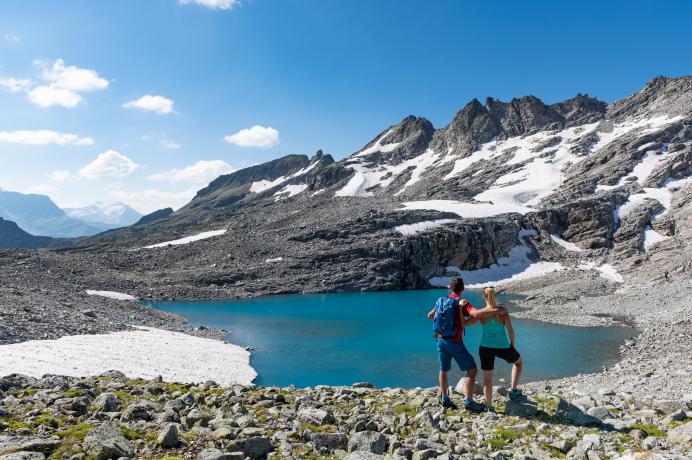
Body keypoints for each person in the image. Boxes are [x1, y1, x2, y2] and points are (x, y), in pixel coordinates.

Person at [427, 277, 506, 411]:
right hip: (455, 341)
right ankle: (469, 402)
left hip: (440, 340)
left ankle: (445, 399)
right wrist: (497, 311)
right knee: (472, 369)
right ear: (462, 289)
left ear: (450, 287)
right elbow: (476, 314)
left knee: (443, 370)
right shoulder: (462, 302)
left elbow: (430, 316)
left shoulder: (441, 300)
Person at [478, 286, 523, 412]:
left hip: (485, 347)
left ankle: (489, 407)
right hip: (503, 347)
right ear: (495, 296)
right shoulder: (503, 312)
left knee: (487, 380)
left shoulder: (482, 314)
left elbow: (473, 316)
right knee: (518, 362)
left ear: (484, 296)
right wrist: (512, 346)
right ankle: (513, 390)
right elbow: (511, 331)